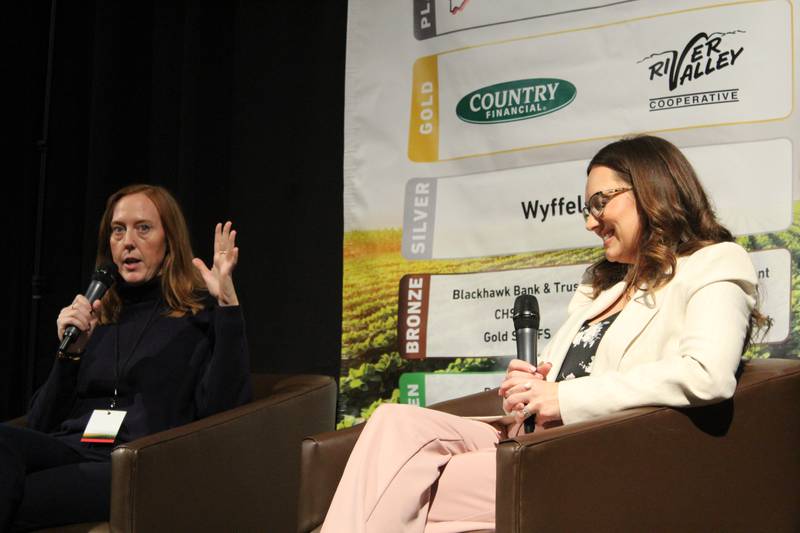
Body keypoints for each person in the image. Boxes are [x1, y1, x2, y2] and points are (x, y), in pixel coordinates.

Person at [321, 135, 765, 533]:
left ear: (649, 190)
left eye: (599, 202)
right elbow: (557, 383)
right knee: (393, 423)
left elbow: (707, 374)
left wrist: (563, 399)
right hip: (531, 439)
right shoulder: (603, 285)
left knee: (403, 482)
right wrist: (533, 386)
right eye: (587, 209)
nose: (591, 222)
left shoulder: (715, 262)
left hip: (601, 451)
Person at [0, 184, 251, 531]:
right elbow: (40, 424)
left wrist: (228, 306)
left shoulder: (197, 319)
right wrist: (69, 355)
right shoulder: (97, 318)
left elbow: (225, 410)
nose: (128, 241)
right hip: (74, 450)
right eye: (118, 230)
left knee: (16, 493)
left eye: (143, 228)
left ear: (170, 242)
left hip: (139, 463)